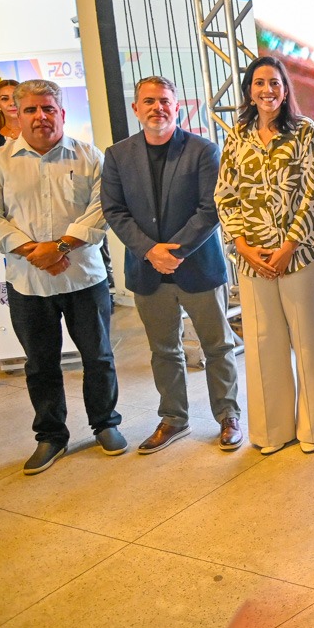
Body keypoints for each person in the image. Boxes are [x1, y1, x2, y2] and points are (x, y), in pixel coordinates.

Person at [0, 79, 125, 474]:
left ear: (62, 113)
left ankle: (105, 424)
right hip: (28, 283)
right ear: (17, 115)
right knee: (40, 364)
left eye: (48, 109)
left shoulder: (89, 156)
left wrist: (58, 248)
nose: (40, 116)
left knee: (99, 357)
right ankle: (51, 436)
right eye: (31, 110)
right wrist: (36, 252)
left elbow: (102, 209)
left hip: (83, 279)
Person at [102, 75, 242, 454]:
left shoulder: (203, 150)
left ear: (176, 106)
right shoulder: (117, 155)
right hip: (147, 270)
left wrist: (173, 252)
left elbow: (210, 209)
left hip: (198, 267)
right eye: (149, 101)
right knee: (164, 350)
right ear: (136, 108)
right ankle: (174, 418)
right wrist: (151, 251)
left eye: (164, 100)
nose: (157, 108)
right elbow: (114, 210)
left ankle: (228, 416)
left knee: (218, 347)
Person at [215, 56, 314, 455]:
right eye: (259, 83)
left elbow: (312, 194)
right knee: (262, 344)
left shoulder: (304, 131)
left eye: (274, 82)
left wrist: (288, 246)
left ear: (285, 90)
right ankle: (272, 431)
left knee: (308, 342)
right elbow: (224, 195)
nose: (267, 90)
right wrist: (241, 245)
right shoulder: (237, 135)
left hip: (298, 255)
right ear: (249, 91)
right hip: (251, 258)